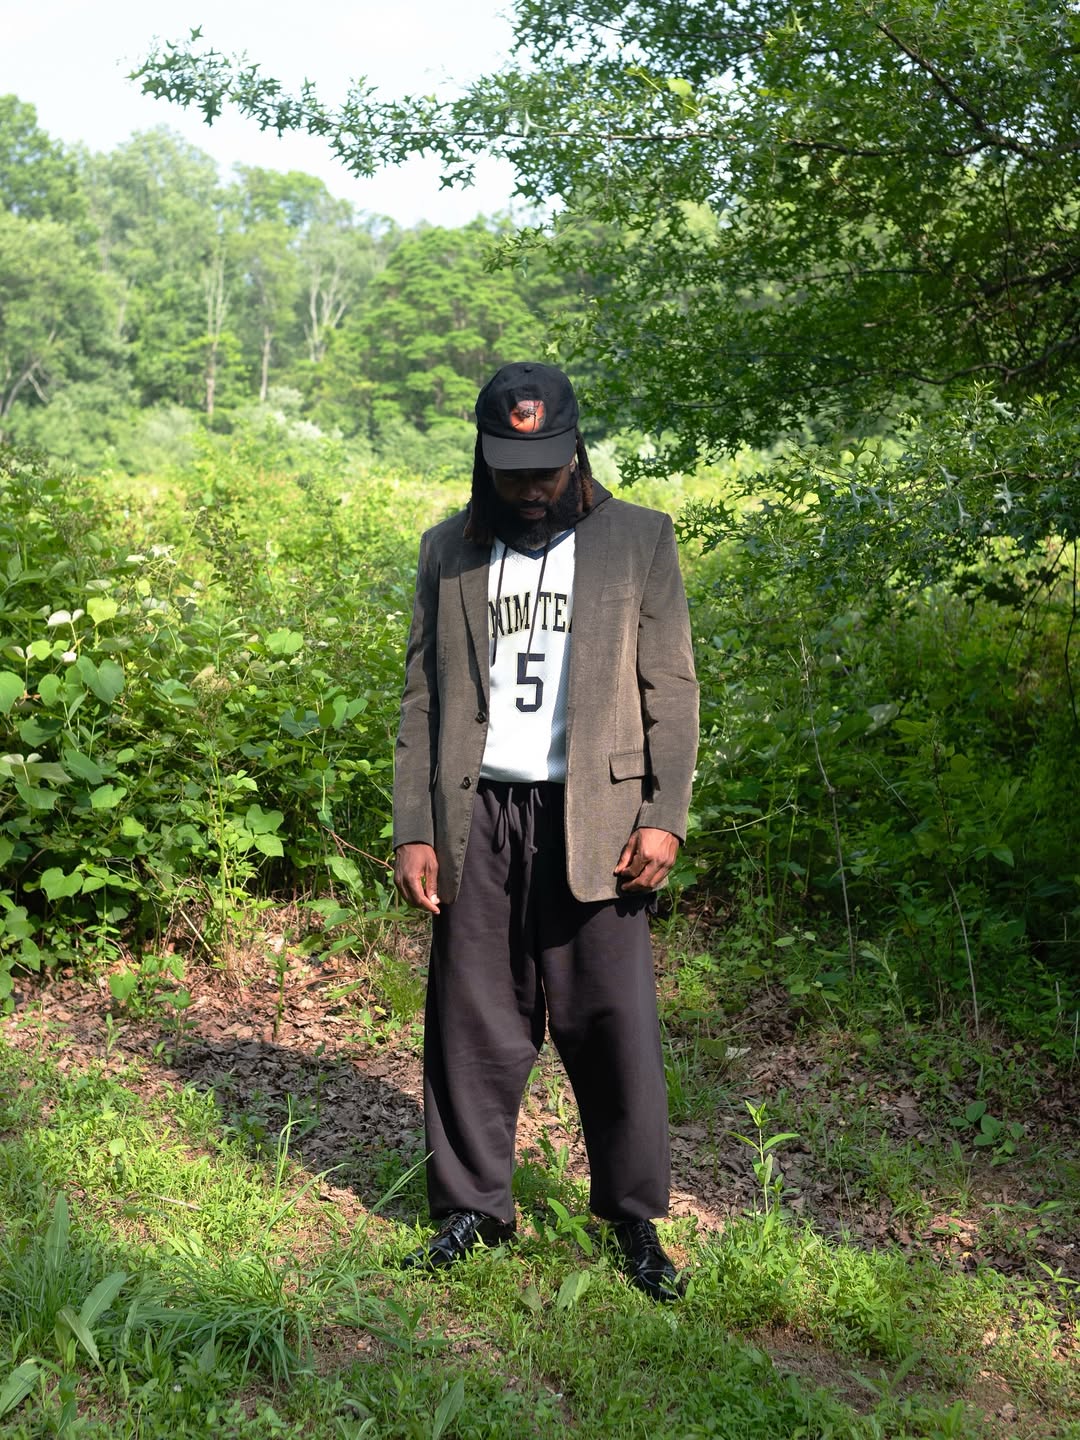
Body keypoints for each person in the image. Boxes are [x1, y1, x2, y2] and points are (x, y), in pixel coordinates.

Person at [392, 361, 699, 1300]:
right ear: (484, 460)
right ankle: (473, 1209)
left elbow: (672, 686)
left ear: (577, 453)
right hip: (478, 814)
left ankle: (634, 1220)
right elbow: (420, 697)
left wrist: (663, 815)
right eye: (513, 469)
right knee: (472, 1023)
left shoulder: (638, 539)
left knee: (613, 1027)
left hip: (596, 818)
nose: (532, 486)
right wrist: (414, 827)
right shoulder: (449, 550)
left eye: (547, 467)